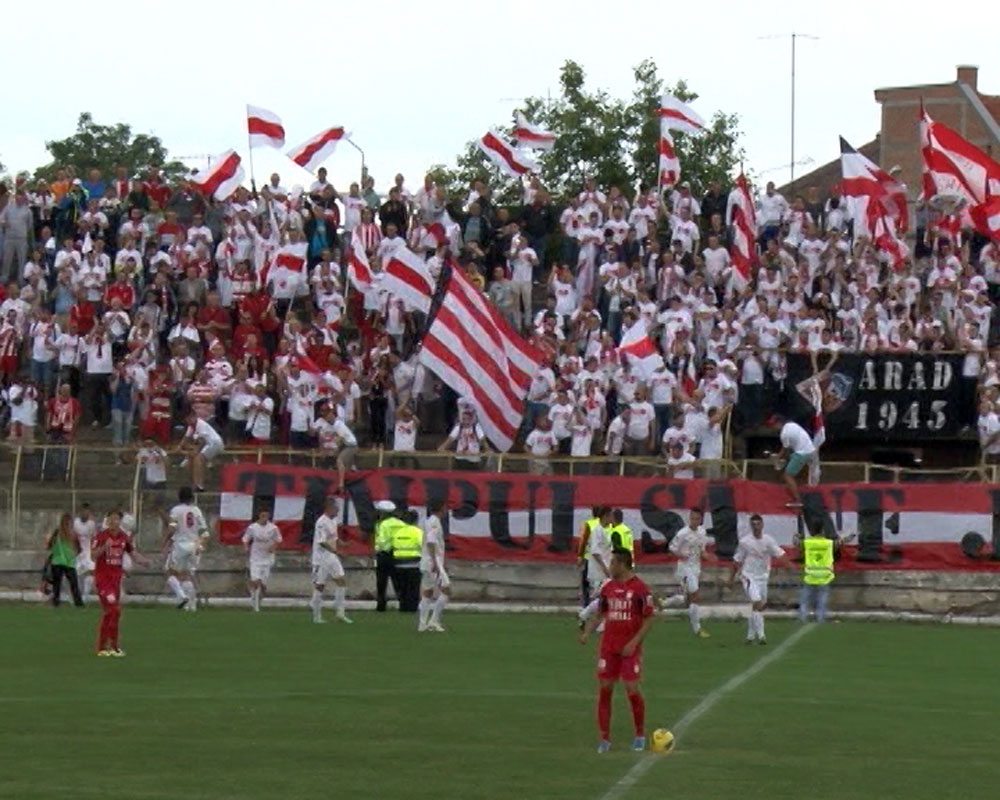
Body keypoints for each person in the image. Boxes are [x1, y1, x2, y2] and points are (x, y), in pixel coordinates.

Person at [579, 548, 655, 754]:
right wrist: (587, 632)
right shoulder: (608, 588)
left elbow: (649, 618)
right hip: (609, 648)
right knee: (605, 690)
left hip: (630, 650)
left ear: (622, 564)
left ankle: (639, 735)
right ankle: (604, 738)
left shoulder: (640, 589)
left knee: (632, 690)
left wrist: (634, 642)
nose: (610, 567)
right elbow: (600, 614)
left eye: (612, 563)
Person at [92, 510, 148, 656]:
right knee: (114, 610)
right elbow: (93, 556)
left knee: (112, 613)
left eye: (117, 519)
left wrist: (144, 561)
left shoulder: (123, 537)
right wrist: (104, 547)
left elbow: (133, 553)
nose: (114, 522)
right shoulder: (101, 536)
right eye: (111, 519)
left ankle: (111, 647)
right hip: (103, 580)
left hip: (116, 580)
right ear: (107, 520)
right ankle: (105, 646)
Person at [728, 514, 789, 644]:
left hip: (763, 577)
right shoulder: (745, 542)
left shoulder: (768, 540)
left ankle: (750, 636)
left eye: (758, 524)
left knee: (758, 607)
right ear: (751, 526)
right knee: (757, 602)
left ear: (762, 525)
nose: (756, 527)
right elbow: (737, 561)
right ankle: (762, 636)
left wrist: (790, 565)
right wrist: (731, 579)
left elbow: (780, 554)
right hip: (748, 576)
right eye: (753, 524)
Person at [667, 509, 712, 638]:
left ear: (701, 520)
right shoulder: (682, 534)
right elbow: (672, 548)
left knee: (688, 599)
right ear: (689, 518)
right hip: (684, 568)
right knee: (695, 595)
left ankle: (664, 602)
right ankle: (697, 629)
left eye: (697, 519)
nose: (694, 521)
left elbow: (702, 550)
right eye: (692, 518)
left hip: (696, 568)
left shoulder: (702, 532)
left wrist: (707, 556)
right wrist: (681, 554)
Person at [163, 486, 209, 611]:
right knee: (187, 575)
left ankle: (182, 596)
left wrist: (165, 541)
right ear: (192, 497)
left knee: (169, 572)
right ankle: (191, 607)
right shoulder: (197, 510)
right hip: (194, 545)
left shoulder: (176, 510)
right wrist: (201, 544)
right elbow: (204, 531)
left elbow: (172, 527)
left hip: (180, 545)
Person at [310, 496, 353, 624]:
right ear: (329, 508)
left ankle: (340, 612)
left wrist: (343, 544)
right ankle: (316, 616)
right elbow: (322, 542)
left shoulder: (333, 520)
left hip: (331, 557)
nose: (338, 511)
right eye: (336, 508)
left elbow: (333, 537)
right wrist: (338, 551)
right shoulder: (321, 522)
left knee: (342, 581)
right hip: (321, 558)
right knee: (320, 586)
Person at [241, 508, 282, 612]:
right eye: (263, 516)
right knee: (256, 581)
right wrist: (246, 546)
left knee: (263, 585)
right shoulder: (252, 527)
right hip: (255, 557)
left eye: (266, 516)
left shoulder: (273, 528)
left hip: (267, 558)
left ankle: (257, 599)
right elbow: (246, 538)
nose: (264, 518)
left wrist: (273, 547)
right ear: (259, 516)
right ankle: (255, 606)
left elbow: (278, 540)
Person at [418, 499, 450, 632]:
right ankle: (433, 621)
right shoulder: (434, 522)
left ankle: (422, 623)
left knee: (428, 591)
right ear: (442, 507)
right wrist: (436, 563)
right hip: (432, 562)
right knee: (446, 589)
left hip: (429, 561)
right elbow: (431, 542)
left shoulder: (428, 521)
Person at [775, 418, 817, 507]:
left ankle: (798, 500)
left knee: (787, 475)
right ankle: (801, 490)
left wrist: (777, 457)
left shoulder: (784, 435)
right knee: (793, 465)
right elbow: (791, 447)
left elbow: (785, 449)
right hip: (811, 448)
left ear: (778, 424)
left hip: (803, 453)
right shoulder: (791, 424)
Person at [179, 412, 224, 492]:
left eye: (191, 417)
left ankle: (199, 485)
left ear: (195, 416)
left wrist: (194, 451)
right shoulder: (191, 427)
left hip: (214, 443)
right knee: (191, 459)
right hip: (207, 445)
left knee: (198, 458)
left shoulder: (201, 424)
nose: (189, 420)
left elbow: (202, 442)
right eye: (187, 418)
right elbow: (185, 440)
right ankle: (194, 483)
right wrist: (180, 447)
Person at [800, 522, 834, 623]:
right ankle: (820, 618)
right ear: (822, 531)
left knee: (805, 598)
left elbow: (797, 543)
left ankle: (803, 617)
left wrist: (796, 536)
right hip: (824, 575)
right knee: (822, 598)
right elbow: (840, 543)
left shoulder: (807, 542)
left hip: (811, 574)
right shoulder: (828, 543)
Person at [46, 512, 83, 607]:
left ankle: (56, 602)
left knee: (58, 585)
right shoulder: (70, 534)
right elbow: (79, 549)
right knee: (71, 584)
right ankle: (77, 603)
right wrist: (73, 553)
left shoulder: (59, 533)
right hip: (66, 562)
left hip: (60, 561)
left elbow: (49, 545)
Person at [373, 500, 403, 612]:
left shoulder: (382, 524)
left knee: (381, 582)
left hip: (384, 555)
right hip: (398, 554)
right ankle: (402, 603)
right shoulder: (400, 523)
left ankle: (381, 605)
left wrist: (377, 551)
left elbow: (382, 542)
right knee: (398, 581)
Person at [391, 509, 423, 613]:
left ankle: (403, 608)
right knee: (413, 589)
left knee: (402, 589)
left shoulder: (397, 532)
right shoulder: (418, 532)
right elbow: (423, 546)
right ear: (416, 520)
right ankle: (412, 609)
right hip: (414, 565)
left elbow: (391, 546)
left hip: (398, 564)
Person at [73, 503, 97, 600]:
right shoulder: (76, 523)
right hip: (78, 553)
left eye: (87, 511)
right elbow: (74, 537)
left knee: (92, 572)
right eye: (83, 511)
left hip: (88, 552)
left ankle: (85, 596)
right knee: (77, 574)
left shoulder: (91, 524)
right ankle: (78, 595)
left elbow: (94, 539)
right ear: (80, 512)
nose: (85, 513)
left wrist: (93, 553)